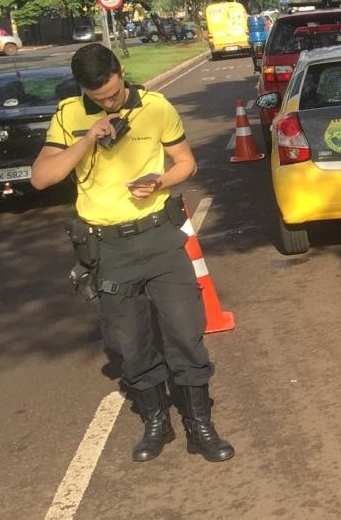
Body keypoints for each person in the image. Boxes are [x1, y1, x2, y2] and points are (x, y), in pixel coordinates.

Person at [31, 44, 235, 464]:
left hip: (159, 238)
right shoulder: (69, 115)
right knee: (131, 343)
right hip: (109, 248)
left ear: (120, 71)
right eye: (97, 98)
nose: (107, 102)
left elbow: (186, 164)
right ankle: (155, 422)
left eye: (111, 92)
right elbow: (41, 178)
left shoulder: (157, 107)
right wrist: (88, 137)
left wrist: (160, 182)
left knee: (184, 333)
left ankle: (200, 426)